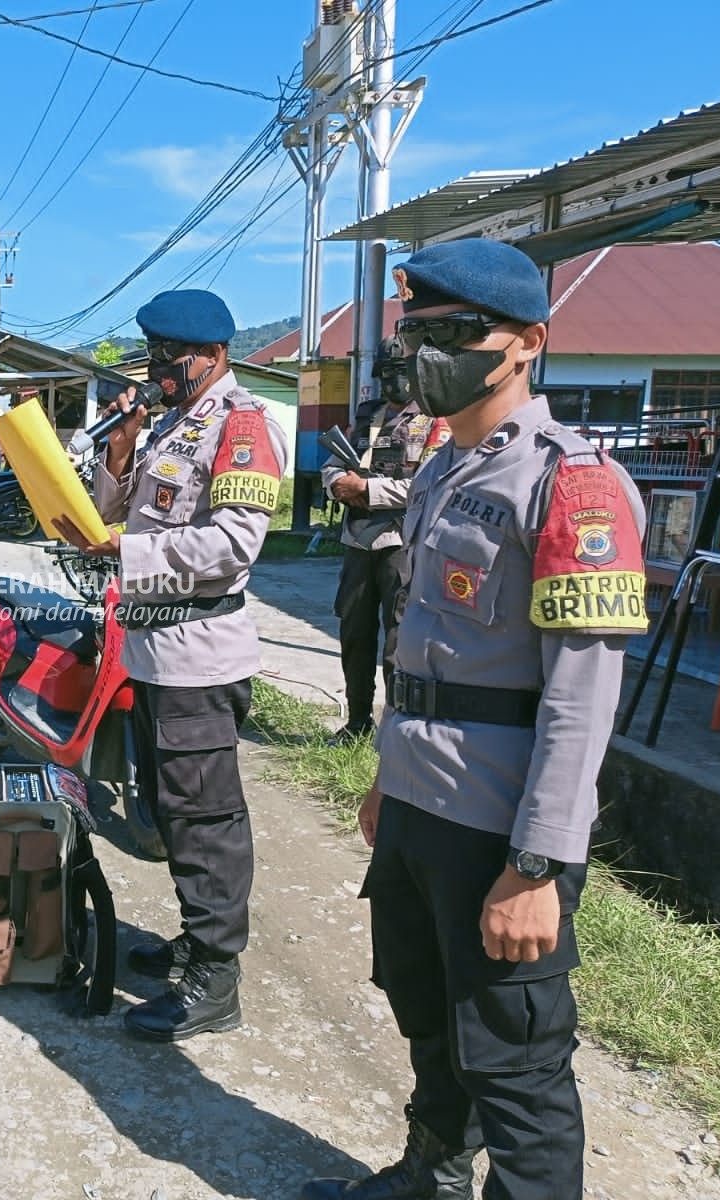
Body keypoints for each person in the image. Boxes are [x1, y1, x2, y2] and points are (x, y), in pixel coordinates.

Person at [301, 239, 648, 1200]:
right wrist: (386, 780)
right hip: (420, 796)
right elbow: (421, 656)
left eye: (453, 333)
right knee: (419, 999)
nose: (425, 352)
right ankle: (434, 1170)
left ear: (526, 345)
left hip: (499, 820)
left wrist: (536, 864)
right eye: (416, 333)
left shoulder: (570, 482)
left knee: (515, 1058)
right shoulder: (444, 470)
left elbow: (581, 702)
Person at [52, 288, 287, 1042]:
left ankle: (216, 980)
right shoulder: (175, 427)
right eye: (151, 354)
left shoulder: (242, 425)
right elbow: (120, 513)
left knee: (205, 817)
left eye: (167, 356)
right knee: (168, 808)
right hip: (153, 649)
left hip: (201, 655)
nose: (155, 369)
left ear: (212, 355)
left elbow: (231, 547)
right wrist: (118, 458)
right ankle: (196, 939)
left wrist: (120, 549)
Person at [319, 337, 449, 744]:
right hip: (358, 542)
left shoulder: (436, 422)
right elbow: (331, 464)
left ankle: (395, 729)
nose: (396, 382)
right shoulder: (367, 417)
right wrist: (336, 483)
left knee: (398, 643)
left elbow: (428, 485)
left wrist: (368, 490)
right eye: (389, 373)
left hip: (401, 543)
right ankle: (358, 721)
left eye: (403, 372)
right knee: (354, 634)